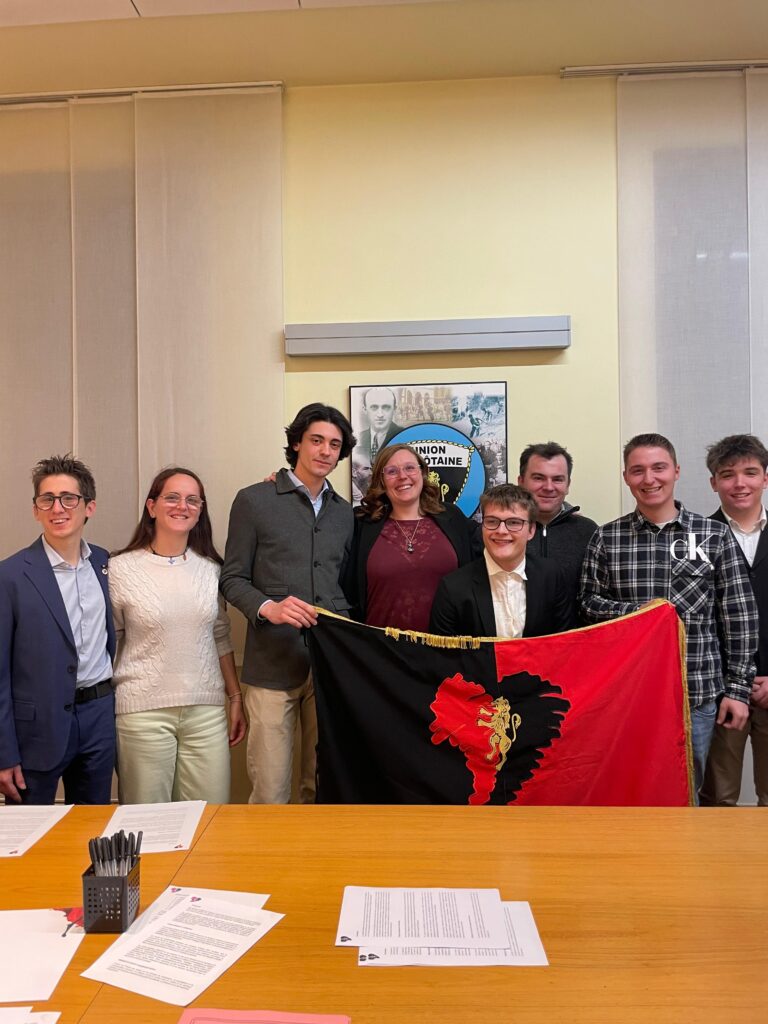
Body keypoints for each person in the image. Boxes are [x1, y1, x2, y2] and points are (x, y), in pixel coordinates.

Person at [579, 432, 759, 799]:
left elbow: (739, 617)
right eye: (638, 470)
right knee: (631, 792)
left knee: (689, 794)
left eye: (659, 468)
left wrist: (738, 691)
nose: (649, 479)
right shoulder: (606, 538)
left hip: (696, 697)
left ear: (676, 471)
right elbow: (587, 606)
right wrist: (643, 613)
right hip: (629, 697)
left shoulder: (713, 535)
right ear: (626, 477)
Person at [221, 402, 355, 804]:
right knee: (271, 791)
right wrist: (269, 608)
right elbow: (232, 578)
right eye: (316, 440)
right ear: (297, 442)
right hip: (271, 666)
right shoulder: (254, 500)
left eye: (334, 444)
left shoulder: (344, 513)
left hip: (329, 665)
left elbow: (345, 581)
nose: (325, 451)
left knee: (321, 787)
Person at [108, 467, 246, 804]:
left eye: (192, 500)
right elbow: (109, 643)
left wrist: (235, 698)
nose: (182, 506)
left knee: (209, 819)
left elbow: (220, 636)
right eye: (172, 497)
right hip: (142, 713)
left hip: (206, 713)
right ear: (151, 506)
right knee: (147, 821)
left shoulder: (212, 570)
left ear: (200, 511)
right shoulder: (119, 569)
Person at [0, 455, 115, 804]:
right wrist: (4, 752)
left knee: (92, 825)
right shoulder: (10, 576)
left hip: (98, 718)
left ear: (89, 507)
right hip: (35, 728)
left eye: (68, 498)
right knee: (30, 830)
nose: (57, 508)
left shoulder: (106, 563)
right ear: (36, 510)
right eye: (47, 499)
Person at [344, 443, 482, 632]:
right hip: (379, 647)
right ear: (381, 480)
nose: (403, 476)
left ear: (423, 473)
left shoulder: (453, 518)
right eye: (392, 471)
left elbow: (492, 551)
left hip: (446, 646)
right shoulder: (361, 523)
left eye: (410, 468)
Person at [701, 434, 768, 807]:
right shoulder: (697, 539)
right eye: (727, 474)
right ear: (714, 482)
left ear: (765, 478)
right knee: (718, 799)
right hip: (721, 692)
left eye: (750, 472)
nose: (739, 483)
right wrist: (734, 685)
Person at [429, 483, 573, 638]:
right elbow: (442, 651)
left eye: (514, 522)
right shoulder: (453, 588)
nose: (501, 531)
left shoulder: (551, 576)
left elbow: (565, 641)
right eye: (492, 521)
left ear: (531, 530)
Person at [518, 441, 597, 618]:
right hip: (514, 635)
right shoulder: (502, 532)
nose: (548, 487)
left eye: (558, 479)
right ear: (521, 481)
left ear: (568, 485)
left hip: (575, 634)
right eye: (538, 478)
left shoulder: (589, 532)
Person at [356, 386, 403, 463]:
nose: (380, 414)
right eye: (374, 407)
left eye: (386, 407)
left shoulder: (403, 435)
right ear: (365, 409)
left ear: (394, 409)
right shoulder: (359, 438)